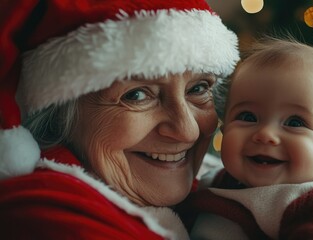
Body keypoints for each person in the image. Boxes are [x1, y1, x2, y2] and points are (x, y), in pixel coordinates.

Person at [0, 0, 239, 239]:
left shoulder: (227, 183)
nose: (188, 131)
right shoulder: (48, 215)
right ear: (59, 114)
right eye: (136, 95)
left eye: (198, 89)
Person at [177, 37, 313, 240]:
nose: (265, 134)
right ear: (224, 130)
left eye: (294, 123)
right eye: (247, 117)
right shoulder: (212, 180)